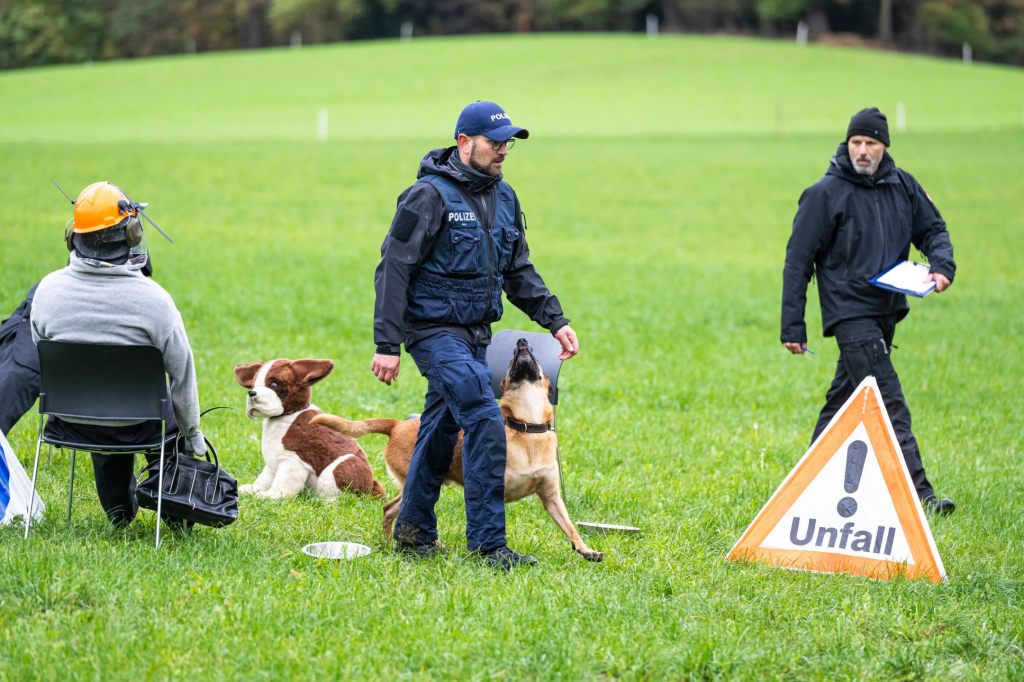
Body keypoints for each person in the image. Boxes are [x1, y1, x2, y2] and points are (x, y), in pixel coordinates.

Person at [371, 101, 579, 568]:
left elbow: (518, 269)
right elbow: (393, 269)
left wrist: (556, 321)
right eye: (494, 142)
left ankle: (412, 529)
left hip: (475, 334)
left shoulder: (505, 199)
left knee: (440, 427)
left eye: (508, 142)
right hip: (431, 331)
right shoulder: (426, 196)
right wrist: (387, 344)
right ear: (464, 142)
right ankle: (489, 545)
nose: (503, 150)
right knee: (485, 416)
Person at [781, 107, 957, 515]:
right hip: (849, 314)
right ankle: (922, 497)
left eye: (870, 143)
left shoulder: (904, 187)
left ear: (884, 147)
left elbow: (933, 230)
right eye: (855, 143)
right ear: (847, 145)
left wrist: (941, 265)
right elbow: (797, 262)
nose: (861, 150)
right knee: (888, 398)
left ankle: (801, 487)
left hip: (886, 310)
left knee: (843, 399)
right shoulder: (824, 194)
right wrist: (793, 324)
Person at [30, 181, 205, 527]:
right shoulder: (155, 301)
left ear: (73, 238)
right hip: (139, 423)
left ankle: (118, 511)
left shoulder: (46, 291)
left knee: (99, 396)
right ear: (132, 234)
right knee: (165, 414)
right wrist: (193, 435)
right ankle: (174, 512)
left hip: (69, 421)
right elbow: (182, 374)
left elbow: (42, 352)